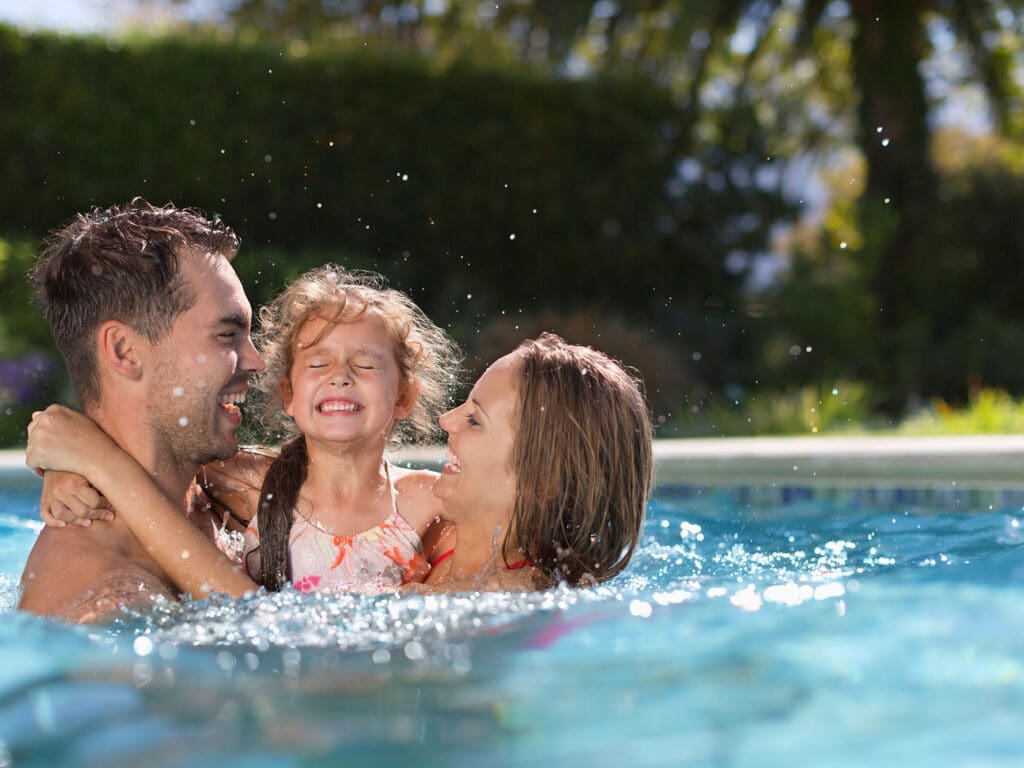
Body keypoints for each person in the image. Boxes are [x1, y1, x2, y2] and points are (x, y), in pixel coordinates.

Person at [30, 332, 654, 594]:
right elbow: (197, 473)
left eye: (475, 418)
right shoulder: (446, 530)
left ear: (539, 474)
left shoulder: (504, 595)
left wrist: (104, 464)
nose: (445, 422)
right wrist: (76, 466)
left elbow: (248, 617)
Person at [34, 265, 461, 598]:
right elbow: (151, 460)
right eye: (317, 364)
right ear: (288, 394)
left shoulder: (427, 502)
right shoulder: (253, 484)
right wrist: (65, 470)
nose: (340, 377)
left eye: (365, 365)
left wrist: (80, 460)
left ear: (404, 396)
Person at [18, 198, 265, 622]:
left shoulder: (208, 496)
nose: (256, 360)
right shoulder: (111, 601)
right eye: (227, 335)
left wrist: (96, 462)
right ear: (124, 351)